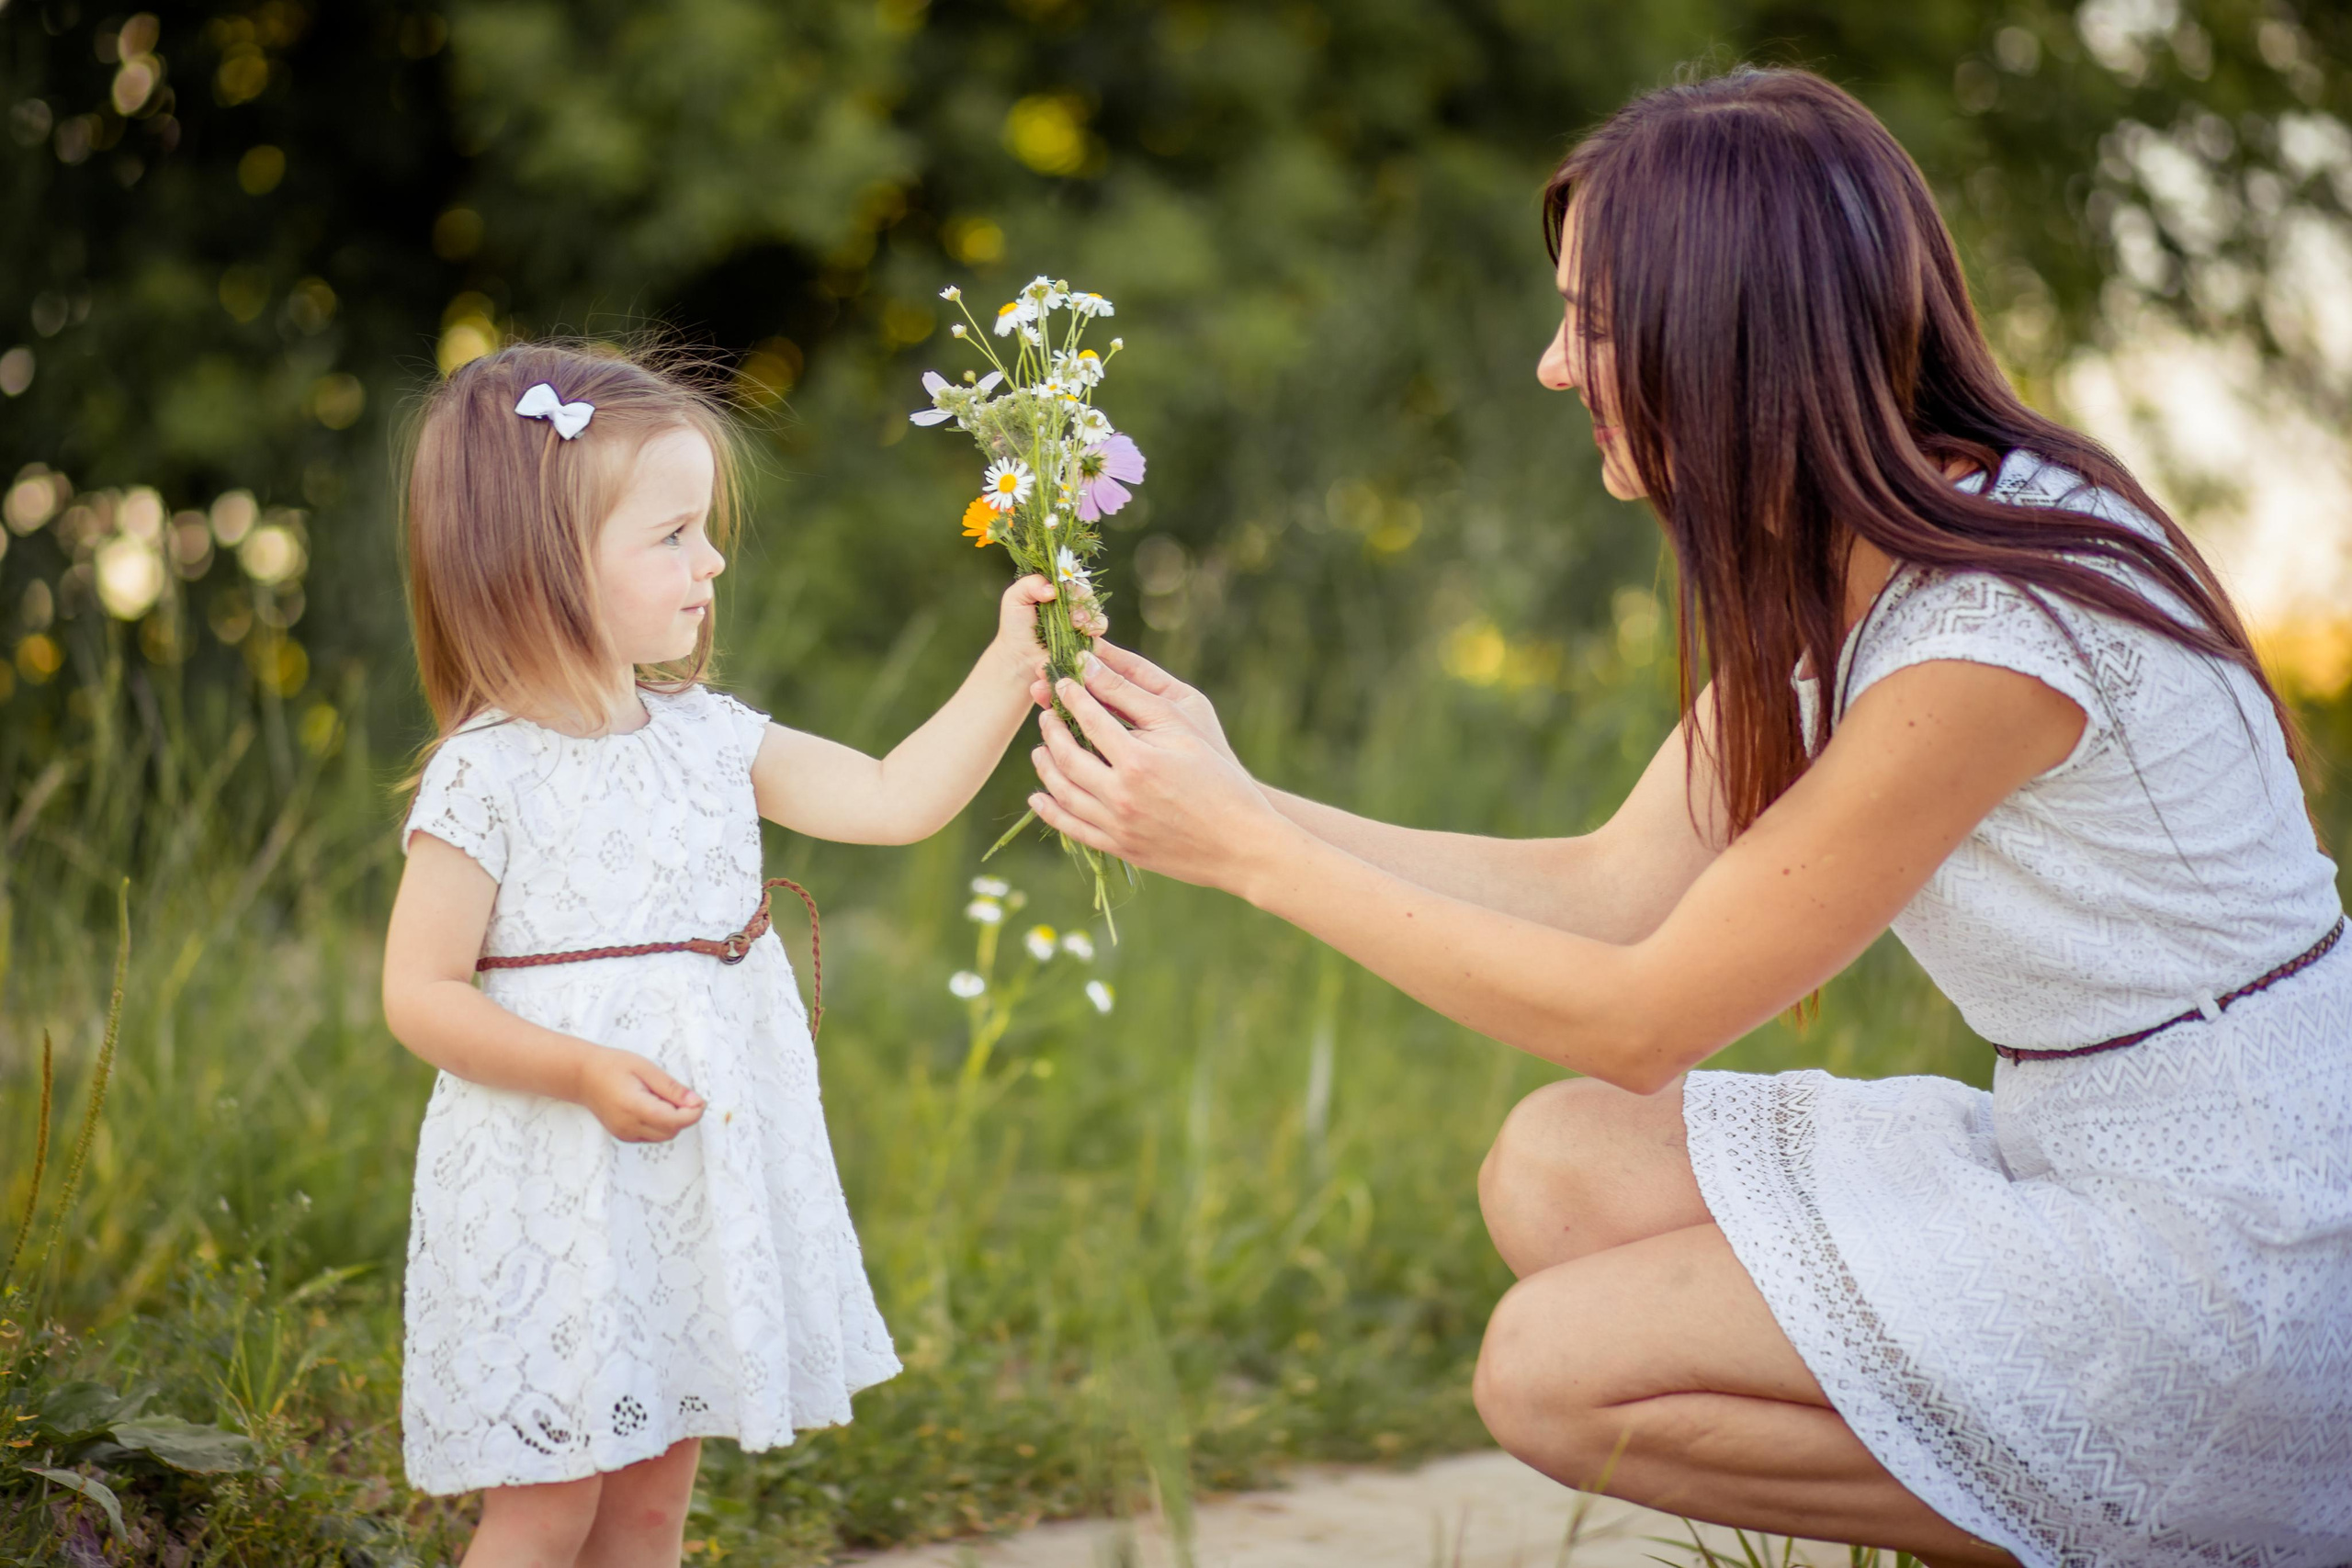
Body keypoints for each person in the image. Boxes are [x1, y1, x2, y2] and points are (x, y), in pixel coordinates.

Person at [1022, 66, 2352, 1568]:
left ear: (1729, 335)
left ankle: (2162, 1534)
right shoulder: (1857, 551)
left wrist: (1255, 858)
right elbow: (1610, 891)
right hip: (2085, 1157)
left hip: (2241, 1242)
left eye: (1591, 324)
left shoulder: (1991, 635)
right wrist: (1231, 795)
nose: (1552, 367)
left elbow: (1644, 1016)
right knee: (1559, 1169)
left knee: (1553, 1373)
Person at [379, 344, 1059, 1567]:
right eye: (674, 536)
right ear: (542, 562)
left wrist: (1012, 668)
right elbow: (419, 995)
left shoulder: (708, 738)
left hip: (682, 1180)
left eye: (704, 531)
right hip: (553, 1187)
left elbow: (894, 797)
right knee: (547, 1507)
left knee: (649, 1506)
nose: (712, 562)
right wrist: (580, 1068)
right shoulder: (485, 774)